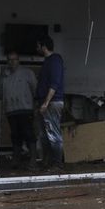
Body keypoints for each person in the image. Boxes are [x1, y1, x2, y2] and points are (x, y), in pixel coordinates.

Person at [0, 50, 36, 166]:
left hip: (25, 109)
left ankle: (33, 160)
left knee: (28, 133)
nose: (12, 62)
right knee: (15, 135)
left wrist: (36, 105)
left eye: (14, 59)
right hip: (11, 110)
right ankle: (17, 159)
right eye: (9, 59)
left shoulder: (27, 73)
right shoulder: (4, 75)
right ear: (7, 61)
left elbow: (35, 89)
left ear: (18, 60)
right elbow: (0, 92)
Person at [35, 35, 66, 167]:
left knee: (52, 133)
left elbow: (54, 83)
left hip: (52, 102)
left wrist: (46, 102)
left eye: (38, 45)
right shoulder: (51, 61)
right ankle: (48, 162)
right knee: (46, 134)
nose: (36, 48)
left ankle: (56, 163)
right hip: (49, 101)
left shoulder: (54, 61)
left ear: (43, 46)